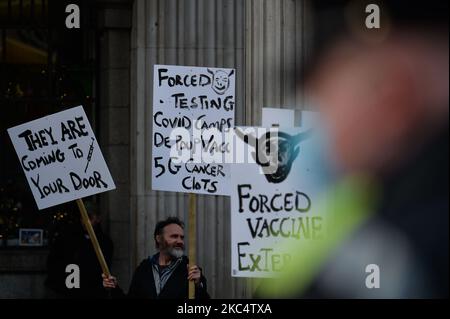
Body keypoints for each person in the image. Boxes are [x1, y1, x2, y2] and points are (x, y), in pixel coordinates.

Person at [102, 216, 210, 299]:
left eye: (182, 237)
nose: (180, 241)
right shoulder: (144, 268)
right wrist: (113, 288)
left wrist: (198, 285)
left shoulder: (190, 269)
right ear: (159, 238)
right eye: (174, 236)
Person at [45, 202, 114, 298]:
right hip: (68, 291)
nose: (85, 221)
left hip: (92, 292)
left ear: (98, 218)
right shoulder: (68, 238)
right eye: (82, 217)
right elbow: (55, 262)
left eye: (89, 217)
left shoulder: (105, 243)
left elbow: (103, 272)